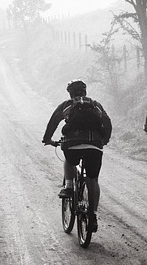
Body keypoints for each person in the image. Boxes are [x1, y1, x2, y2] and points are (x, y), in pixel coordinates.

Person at [42, 79, 112, 233]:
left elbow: (53, 122)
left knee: (69, 160)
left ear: (70, 93)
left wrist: (47, 139)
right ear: (85, 91)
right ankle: (92, 213)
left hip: (72, 145)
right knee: (93, 180)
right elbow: (107, 122)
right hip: (95, 146)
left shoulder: (66, 105)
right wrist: (104, 140)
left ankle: (68, 187)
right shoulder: (95, 105)